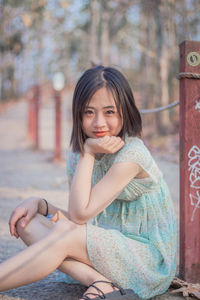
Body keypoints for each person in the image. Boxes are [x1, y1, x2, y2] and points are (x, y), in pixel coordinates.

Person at [0, 66, 177, 300]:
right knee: (26, 222)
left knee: (63, 234)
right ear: (78, 114)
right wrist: (41, 204)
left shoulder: (133, 155)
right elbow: (75, 219)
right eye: (89, 112)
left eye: (110, 112)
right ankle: (99, 282)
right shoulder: (80, 154)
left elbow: (79, 216)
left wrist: (89, 154)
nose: (99, 123)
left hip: (146, 262)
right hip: (107, 250)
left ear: (125, 112)